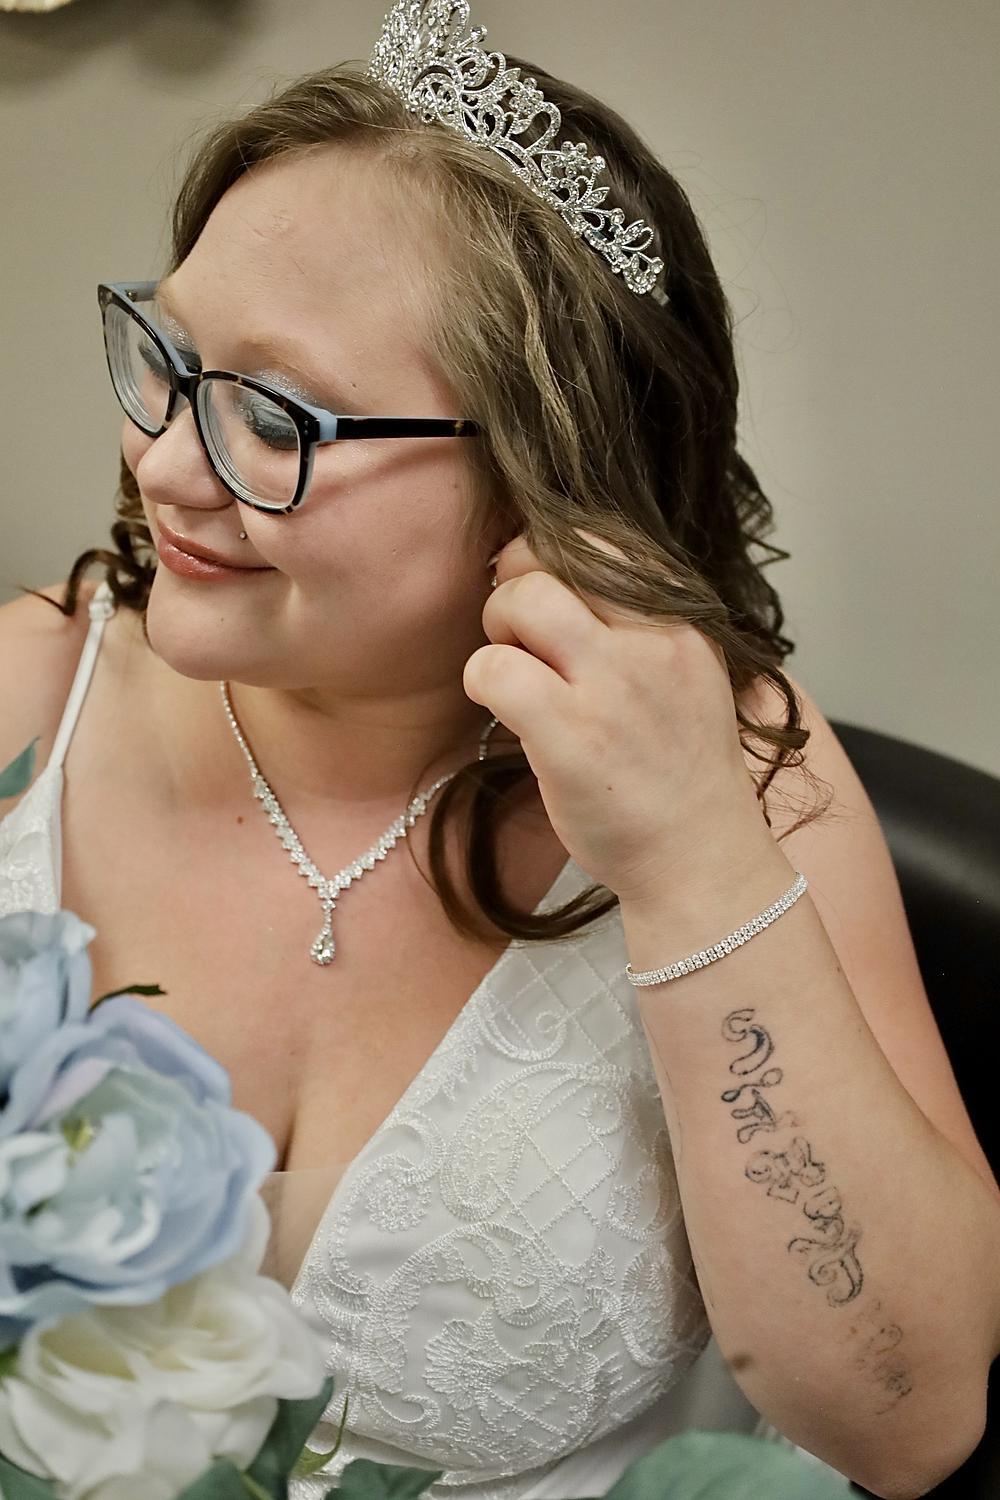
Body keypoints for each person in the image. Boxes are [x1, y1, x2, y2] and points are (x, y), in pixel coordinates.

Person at [1, 4, 998, 1497]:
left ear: (545, 472)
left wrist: (691, 863)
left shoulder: (745, 782)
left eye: (274, 415)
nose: (162, 463)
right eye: (173, 353)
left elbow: (906, 1422)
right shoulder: (30, 687)